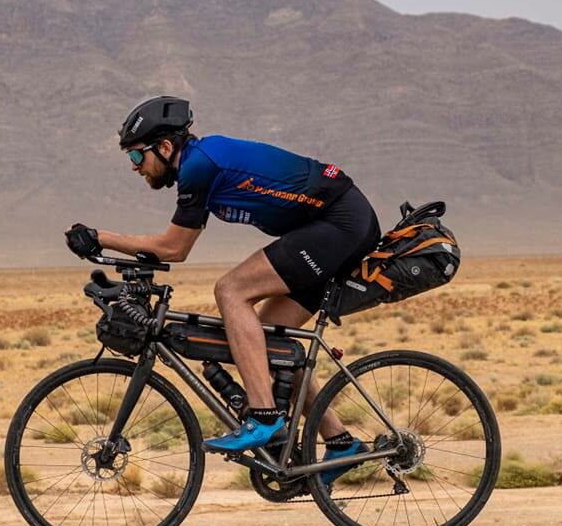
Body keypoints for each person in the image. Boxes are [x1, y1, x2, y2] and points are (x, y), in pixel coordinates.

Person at [64, 96, 381, 481]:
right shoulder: (199, 164)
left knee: (231, 290)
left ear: (165, 148)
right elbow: (171, 248)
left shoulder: (199, 166)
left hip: (341, 224)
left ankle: (263, 417)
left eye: (135, 158)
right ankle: (341, 442)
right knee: (273, 346)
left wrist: (101, 238)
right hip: (330, 226)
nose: (135, 169)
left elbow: (173, 249)